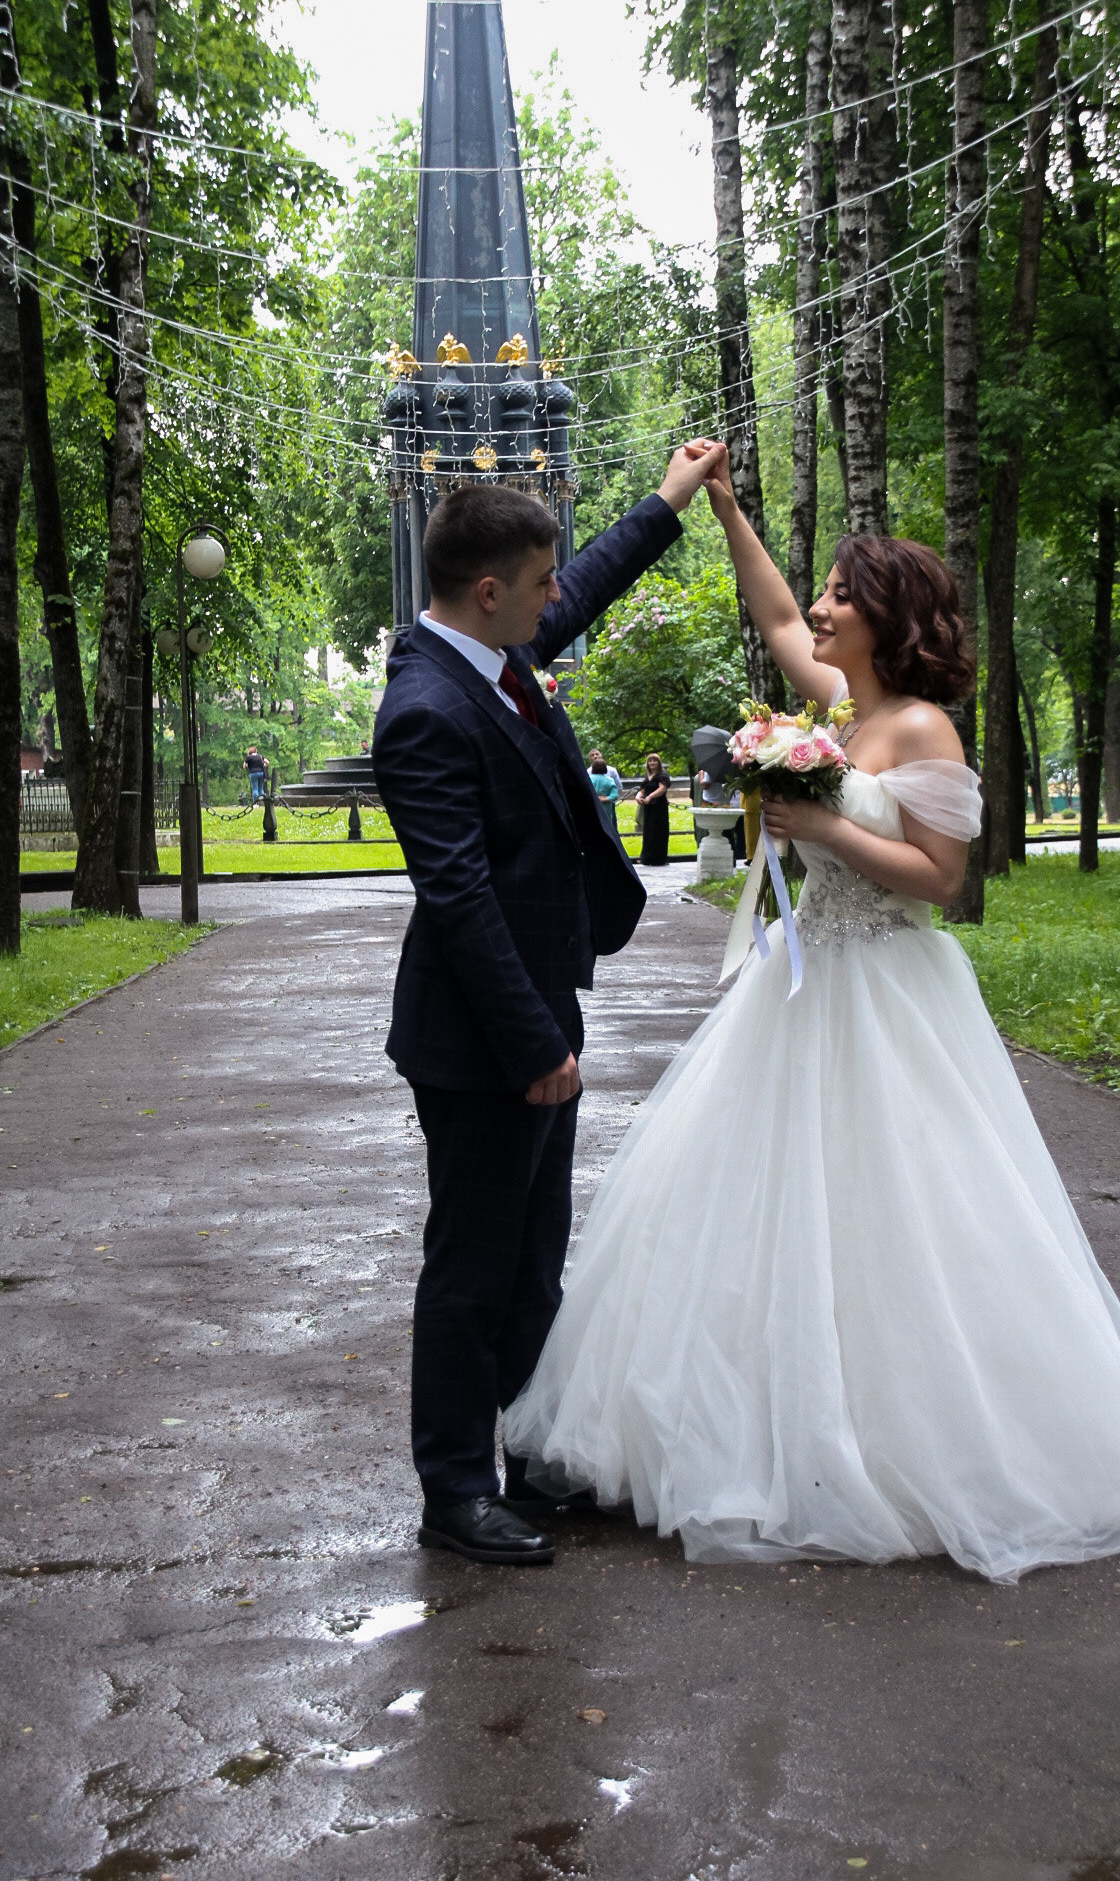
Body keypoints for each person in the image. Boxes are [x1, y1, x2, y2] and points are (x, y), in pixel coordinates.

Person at [504, 444, 1120, 1582]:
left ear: (888, 619)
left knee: (903, 1207)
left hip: (888, 986)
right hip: (801, 985)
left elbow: (941, 878)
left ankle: (912, 1443)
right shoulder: (840, 709)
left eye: (844, 595)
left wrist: (822, 826)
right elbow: (774, 611)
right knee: (760, 1204)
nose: (823, 609)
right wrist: (727, 509)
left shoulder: (922, 729)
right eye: (829, 592)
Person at [371, 443, 726, 1567]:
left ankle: (530, 1457)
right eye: (539, 582)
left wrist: (670, 497)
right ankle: (454, 1490)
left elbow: (590, 581)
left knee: (533, 1260)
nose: (554, 596)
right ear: (489, 591)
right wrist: (533, 1045)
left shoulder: (494, 654)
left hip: (537, 1012)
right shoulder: (426, 709)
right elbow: (460, 899)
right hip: (483, 1038)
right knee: (473, 1266)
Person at [635, 753, 671, 865]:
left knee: (658, 831)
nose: (652, 763)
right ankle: (647, 857)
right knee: (648, 832)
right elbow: (643, 789)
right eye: (650, 761)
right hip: (649, 807)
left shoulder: (662, 775)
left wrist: (650, 797)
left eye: (654, 760)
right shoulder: (648, 777)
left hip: (659, 807)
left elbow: (662, 789)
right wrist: (638, 797)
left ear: (659, 763)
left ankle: (658, 859)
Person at [587, 753, 620, 834]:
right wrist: (605, 799)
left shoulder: (588, 779)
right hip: (606, 808)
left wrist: (595, 798)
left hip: (592, 807)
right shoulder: (610, 780)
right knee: (607, 829)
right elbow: (615, 795)